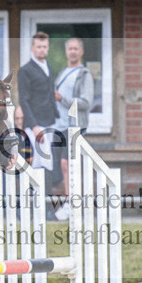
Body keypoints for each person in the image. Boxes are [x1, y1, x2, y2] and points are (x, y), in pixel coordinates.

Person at [52, 37, 94, 220]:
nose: (73, 51)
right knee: (60, 167)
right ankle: (68, 202)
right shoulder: (62, 73)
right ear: (66, 51)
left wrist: (63, 99)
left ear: (81, 52)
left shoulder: (85, 74)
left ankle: (71, 204)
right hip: (58, 125)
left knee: (67, 164)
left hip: (75, 126)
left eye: (76, 49)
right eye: (70, 48)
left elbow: (86, 102)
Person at [18, 31, 60, 191]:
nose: (42, 49)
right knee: (38, 162)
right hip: (36, 124)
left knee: (48, 162)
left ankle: (46, 200)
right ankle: (37, 201)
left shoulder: (48, 67)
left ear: (48, 48)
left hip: (50, 121)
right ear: (32, 48)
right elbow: (24, 100)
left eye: (44, 46)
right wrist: (34, 126)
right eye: (39, 46)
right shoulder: (25, 70)